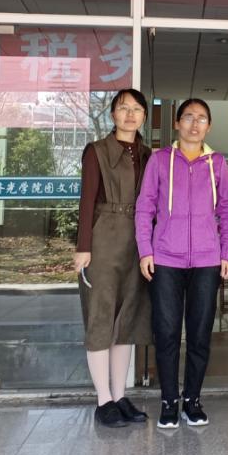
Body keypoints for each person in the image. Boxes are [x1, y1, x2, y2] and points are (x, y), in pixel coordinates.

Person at [135, 98, 228, 429]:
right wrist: (145, 250)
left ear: (209, 126)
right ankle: (169, 400)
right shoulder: (159, 160)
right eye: (188, 117)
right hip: (166, 258)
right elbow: (145, 206)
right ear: (177, 123)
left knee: (200, 333)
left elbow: (226, 211)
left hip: (206, 260)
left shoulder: (217, 163)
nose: (195, 123)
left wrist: (226, 253)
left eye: (201, 118)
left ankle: (192, 399)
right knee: (166, 332)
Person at [74, 88, 153, 428]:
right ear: (112, 114)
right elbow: (87, 200)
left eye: (136, 109)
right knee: (101, 317)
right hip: (104, 237)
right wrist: (83, 247)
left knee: (127, 321)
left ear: (144, 116)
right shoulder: (97, 151)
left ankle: (120, 396)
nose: (130, 114)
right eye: (123, 108)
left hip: (138, 240)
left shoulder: (149, 155)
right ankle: (103, 400)